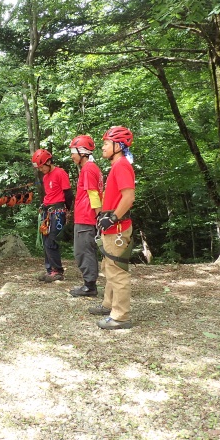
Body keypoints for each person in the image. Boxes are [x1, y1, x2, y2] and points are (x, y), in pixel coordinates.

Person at [89, 126, 135, 330]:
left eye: (106, 143)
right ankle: (108, 304)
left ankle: (120, 316)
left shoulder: (122, 166)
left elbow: (129, 197)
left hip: (117, 228)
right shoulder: (117, 166)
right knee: (109, 267)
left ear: (118, 146)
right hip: (112, 227)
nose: (103, 147)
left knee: (117, 272)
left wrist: (114, 218)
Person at [68, 136, 104, 297]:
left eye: (73, 152)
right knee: (85, 250)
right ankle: (89, 284)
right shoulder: (91, 168)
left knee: (83, 251)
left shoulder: (88, 169)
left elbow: (93, 194)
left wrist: (99, 216)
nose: (72, 156)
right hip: (86, 217)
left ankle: (89, 286)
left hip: (86, 217)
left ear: (82, 152)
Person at [32, 149, 73, 282]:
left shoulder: (60, 173)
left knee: (52, 240)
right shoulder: (45, 177)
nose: (41, 169)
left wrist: (68, 210)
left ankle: (58, 271)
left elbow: (68, 194)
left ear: (49, 162)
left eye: (42, 166)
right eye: (39, 168)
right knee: (46, 241)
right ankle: (50, 270)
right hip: (47, 211)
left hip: (58, 212)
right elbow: (49, 195)